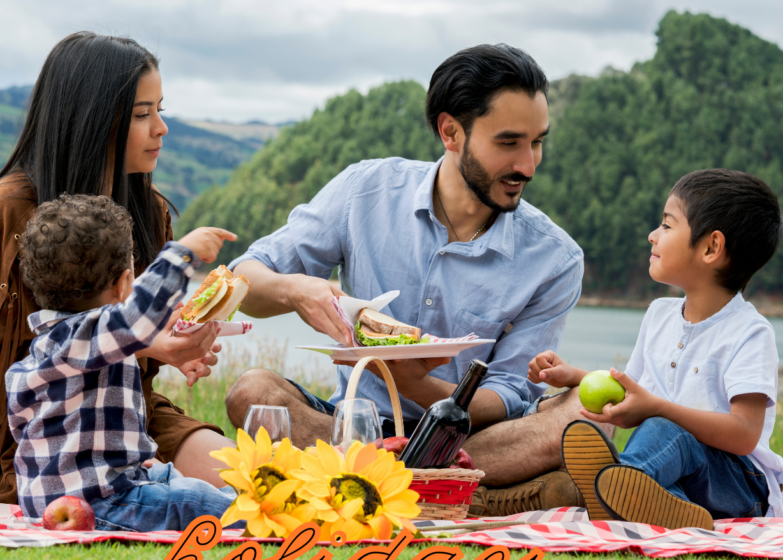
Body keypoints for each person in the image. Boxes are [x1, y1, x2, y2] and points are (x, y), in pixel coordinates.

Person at [225, 43, 608, 515]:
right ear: (450, 131)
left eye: (537, 142)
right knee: (252, 393)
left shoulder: (556, 257)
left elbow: (509, 394)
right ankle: (462, 494)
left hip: (467, 434)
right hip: (354, 425)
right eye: (509, 143)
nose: (527, 166)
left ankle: (369, 486)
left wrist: (420, 387)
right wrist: (295, 288)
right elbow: (244, 279)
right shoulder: (364, 190)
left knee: (586, 418)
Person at [0, 31, 235, 505]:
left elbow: (136, 348)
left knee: (251, 479)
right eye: (142, 114)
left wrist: (173, 343)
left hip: (125, 417)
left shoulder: (149, 211)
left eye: (161, 110)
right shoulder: (9, 209)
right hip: (31, 434)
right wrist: (147, 338)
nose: (161, 128)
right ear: (94, 121)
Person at [530, 169, 782, 528]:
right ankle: (659, 506)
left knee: (663, 428)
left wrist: (659, 408)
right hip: (680, 478)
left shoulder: (749, 332)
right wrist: (576, 375)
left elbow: (743, 435)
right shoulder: (659, 314)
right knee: (659, 449)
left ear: (711, 247)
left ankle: (610, 483)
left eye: (666, 225)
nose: (652, 236)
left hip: (739, 485)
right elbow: (631, 386)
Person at [6, 195, 236, 530]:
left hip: (48, 501)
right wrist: (181, 255)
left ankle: (231, 497)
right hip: (102, 501)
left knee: (171, 478)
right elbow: (136, 318)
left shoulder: (42, 354)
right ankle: (256, 513)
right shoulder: (89, 335)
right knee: (204, 506)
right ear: (123, 283)